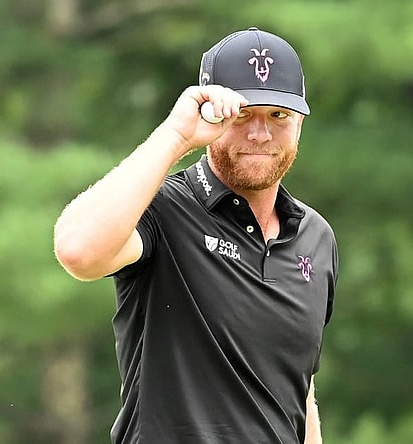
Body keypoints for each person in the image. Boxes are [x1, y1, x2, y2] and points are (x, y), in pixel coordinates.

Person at [53, 27, 338, 444]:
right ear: (213, 116)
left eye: (278, 115)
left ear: (299, 123)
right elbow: (78, 251)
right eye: (243, 114)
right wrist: (175, 136)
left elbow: (299, 388)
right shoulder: (163, 208)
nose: (260, 134)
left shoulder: (315, 237)